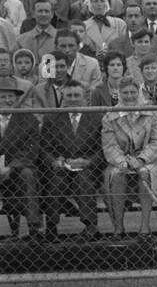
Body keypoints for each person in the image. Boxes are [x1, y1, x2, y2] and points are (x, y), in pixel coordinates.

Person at [101, 77, 157, 239]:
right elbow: (110, 146)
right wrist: (123, 162)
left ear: (139, 92)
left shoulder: (152, 113)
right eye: (125, 93)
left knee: (146, 172)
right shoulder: (109, 117)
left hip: (150, 160)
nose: (129, 96)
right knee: (116, 174)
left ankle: (145, 227)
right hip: (122, 159)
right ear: (119, 94)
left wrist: (141, 160)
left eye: (133, 92)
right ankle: (118, 228)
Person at [40, 79, 104, 240]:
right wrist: (55, 161)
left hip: (87, 168)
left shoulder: (97, 117)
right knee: (55, 182)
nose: (73, 99)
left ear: (84, 97)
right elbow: (44, 148)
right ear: (63, 96)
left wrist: (88, 161)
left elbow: (103, 148)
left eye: (77, 95)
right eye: (69, 95)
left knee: (83, 181)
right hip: (60, 167)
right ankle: (52, 228)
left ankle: (90, 228)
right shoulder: (52, 118)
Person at [0, 76, 43, 239]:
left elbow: (30, 151)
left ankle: (34, 228)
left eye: (10, 96)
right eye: (3, 97)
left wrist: (10, 167)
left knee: (28, 174)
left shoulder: (28, 119)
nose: (7, 100)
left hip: (16, 170)